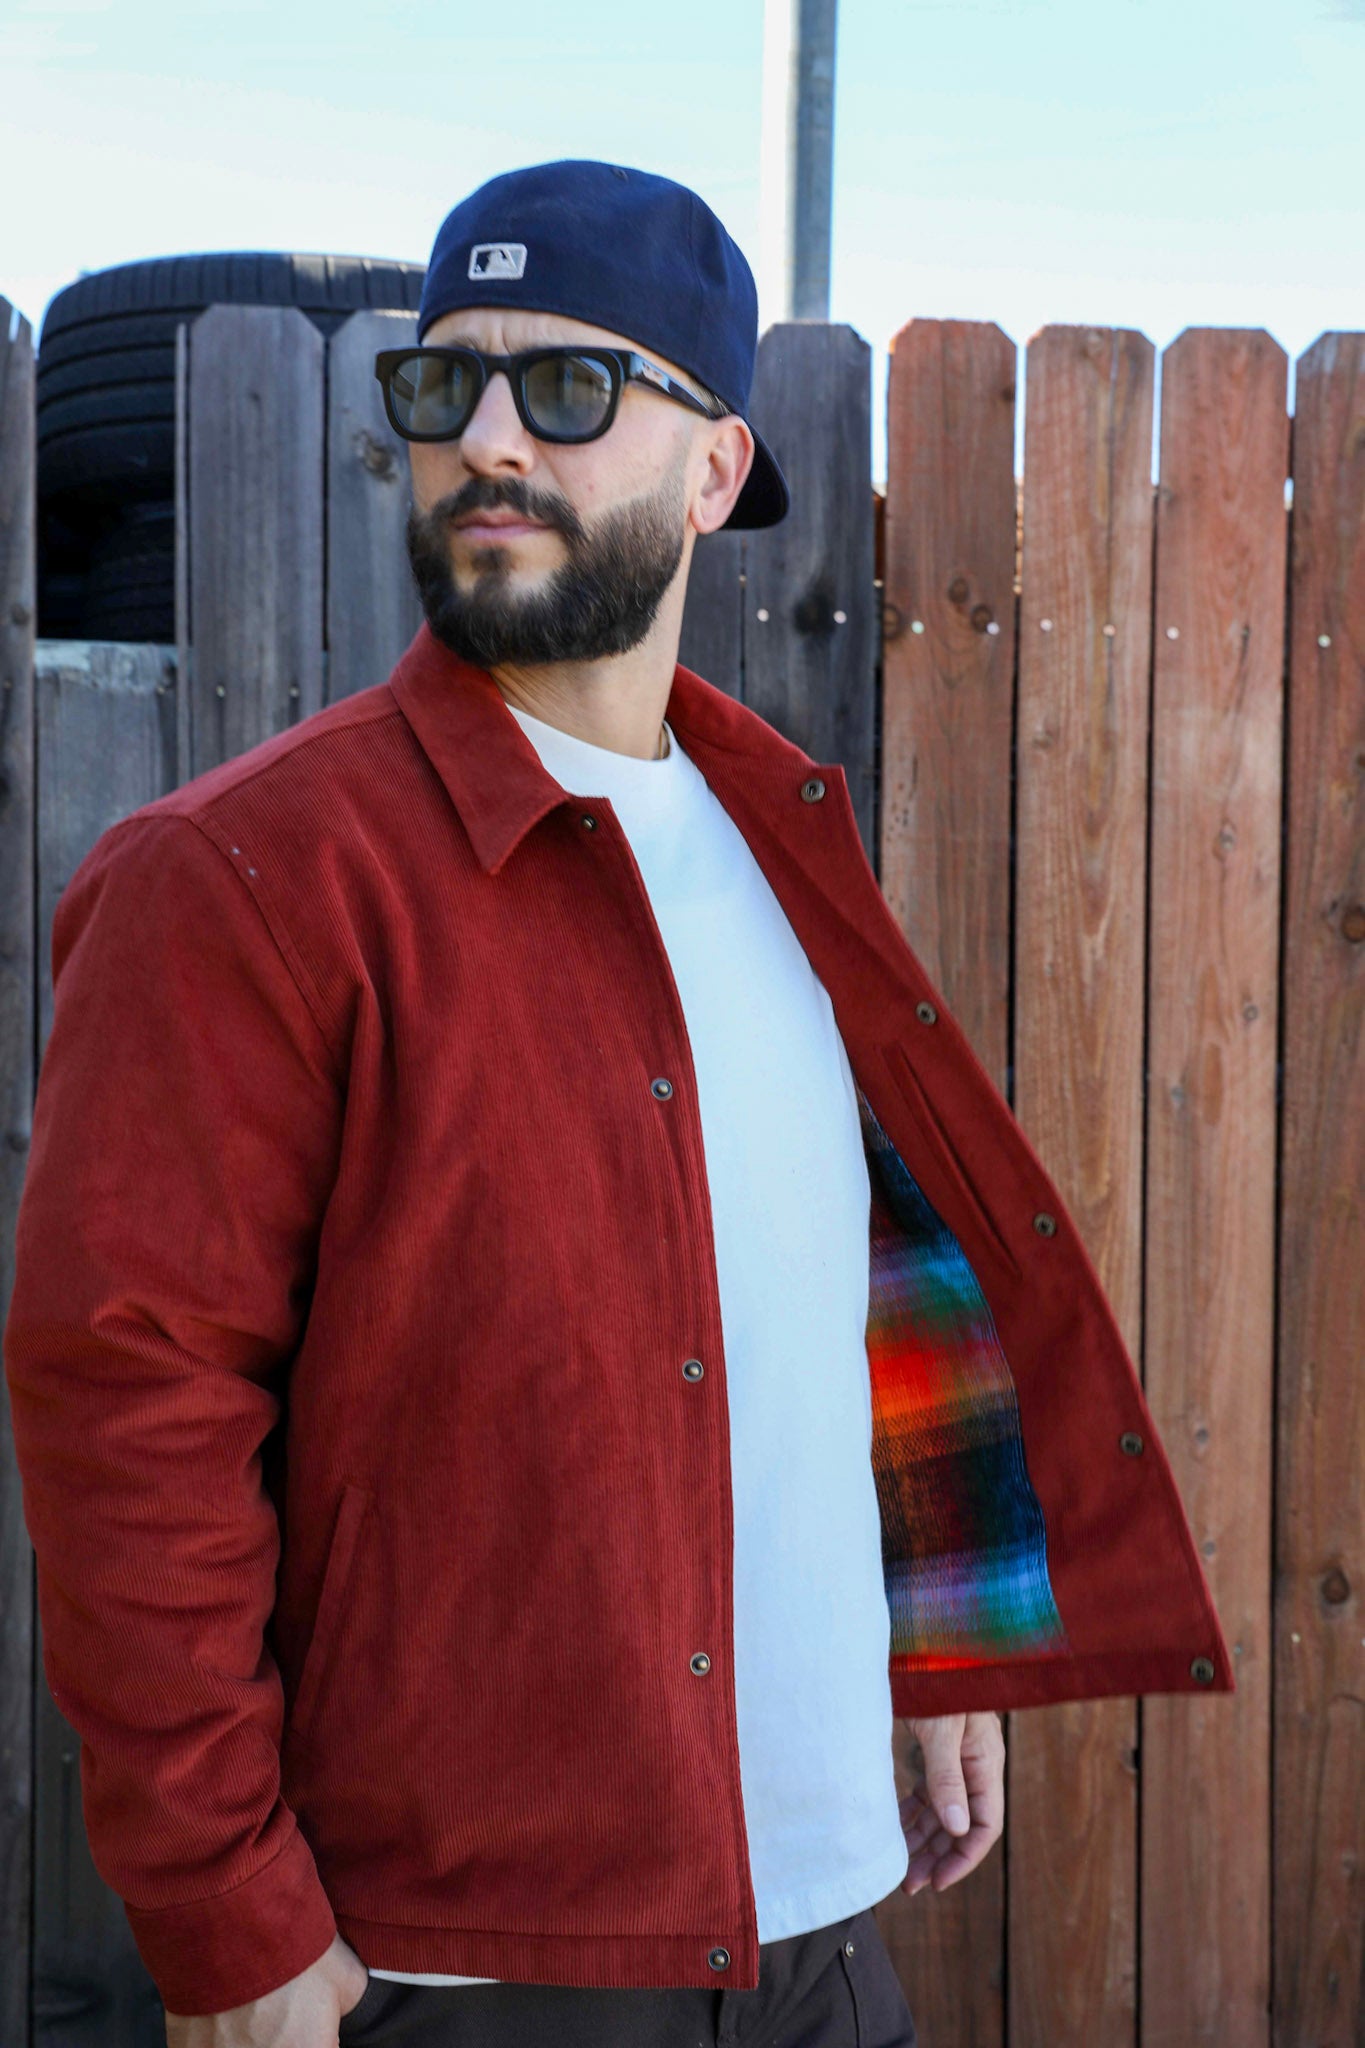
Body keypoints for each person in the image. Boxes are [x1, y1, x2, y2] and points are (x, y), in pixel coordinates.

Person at [3, 160, 1231, 2048]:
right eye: (444, 385)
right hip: (468, 1964)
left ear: (717, 468)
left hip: (824, 1925)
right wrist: (227, 1919)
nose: (489, 440)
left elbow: (856, 1293)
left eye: (567, 388)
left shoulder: (778, 842)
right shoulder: (247, 879)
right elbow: (128, 1411)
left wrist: (930, 1640)